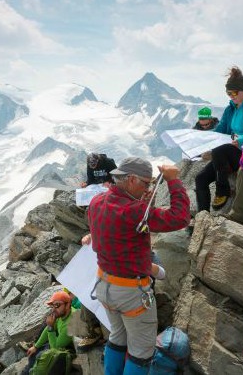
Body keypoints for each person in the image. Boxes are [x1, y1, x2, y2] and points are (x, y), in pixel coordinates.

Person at [88, 157, 190, 375]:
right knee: (141, 352)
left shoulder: (97, 201)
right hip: (131, 292)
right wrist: (173, 181)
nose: (148, 188)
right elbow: (180, 218)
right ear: (131, 179)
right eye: (145, 183)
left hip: (104, 285)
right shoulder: (134, 212)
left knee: (118, 337)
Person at [195, 66, 243, 212]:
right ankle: (201, 217)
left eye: (233, 92)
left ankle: (223, 191)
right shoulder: (230, 109)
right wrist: (203, 137)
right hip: (227, 155)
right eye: (228, 93)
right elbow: (221, 130)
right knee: (200, 178)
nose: (230, 96)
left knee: (221, 149)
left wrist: (240, 141)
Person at [25, 291, 76, 371]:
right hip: (59, 343)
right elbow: (47, 330)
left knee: (40, 356)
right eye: (52, 306)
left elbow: (55, 349)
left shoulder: (70, 323)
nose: (54, 309)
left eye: (57, 305)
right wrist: (35, 346)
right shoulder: (62, 314)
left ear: (68, 305)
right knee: (34, 353)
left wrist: (51, 327)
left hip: (68, 349)